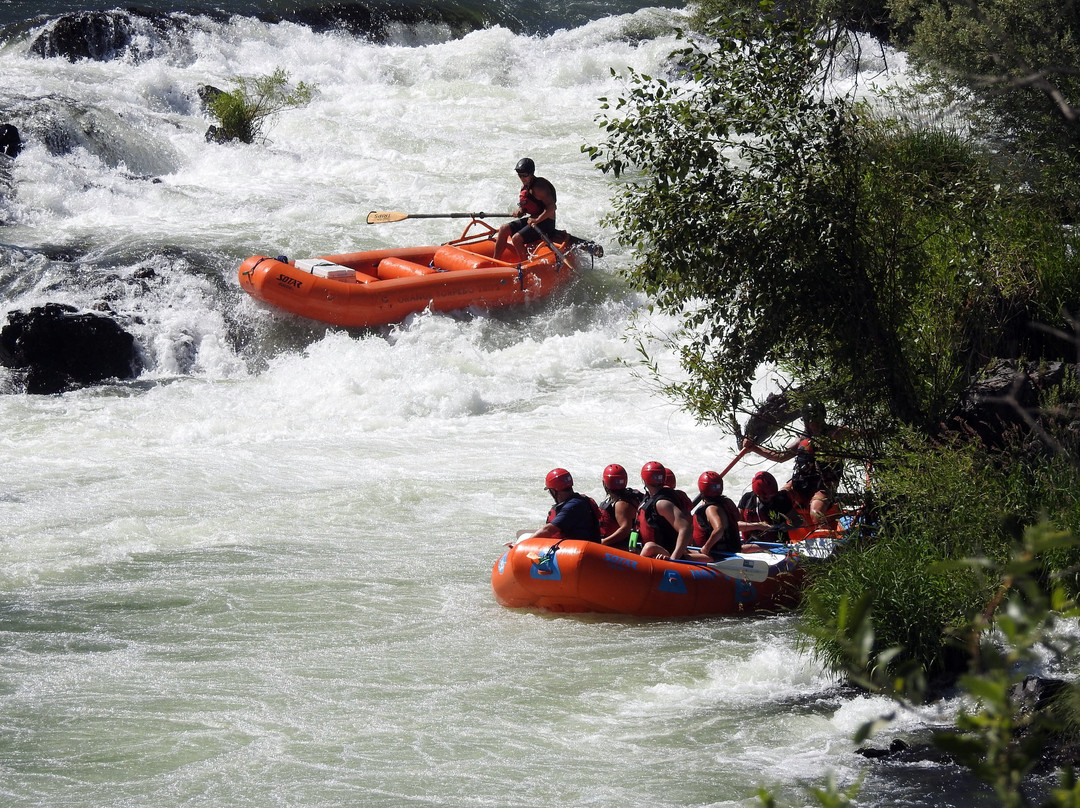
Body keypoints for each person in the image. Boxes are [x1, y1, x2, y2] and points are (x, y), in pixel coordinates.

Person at [742, 401, 844, 524]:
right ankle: (773, 531)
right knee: (777, 500)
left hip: (823, 487)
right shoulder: (803, 438)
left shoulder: (836, 434)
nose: (812, 424)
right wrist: (754, 448)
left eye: (815, 420)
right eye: (808, 420)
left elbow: (858, 435)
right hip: (800, 484)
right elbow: (780, 456)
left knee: (817, 513)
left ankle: (825, 538)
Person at [634, 461, 710, 562]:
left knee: (649, 547)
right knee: (648, 547)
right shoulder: (649, 498)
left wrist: (674, 559)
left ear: (644, 479)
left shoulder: (662, 503)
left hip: (664, 553)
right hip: (654, 553)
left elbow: (686, 529)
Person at [493, 157, 557, 262]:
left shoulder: (540, 187)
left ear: (531, 173)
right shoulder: (525, 186)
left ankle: (525, 266)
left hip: (546, 223)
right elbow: (527, 204)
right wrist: (521, 210)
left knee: (516, 238)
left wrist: (536, 220)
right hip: (533, 220)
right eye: (520, 175)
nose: (522, 178)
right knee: (504, 228)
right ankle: (494, 261)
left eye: (525, 175)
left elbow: (552, 208)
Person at [531, 468, 602, 542]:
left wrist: (523, 544)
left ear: (553, 491)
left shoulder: (573, 505)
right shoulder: (577, 501)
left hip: (582, 550)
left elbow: (548, 530)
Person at [738, 471, 803, 543]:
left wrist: (786, 527)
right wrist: (758, 526)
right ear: (758, 494)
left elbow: (799, 521)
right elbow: (736, 524)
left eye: (772, 496)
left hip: (776, 544)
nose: (770, 499)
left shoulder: (781, 500)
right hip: (751, 543)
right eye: (766, 498)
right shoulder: (747, 498)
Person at [692, 470, 747, 556]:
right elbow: (737, 518)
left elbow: (719, 529)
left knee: (682, 555)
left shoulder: (711, 509)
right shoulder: (727, 502)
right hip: (732, 549)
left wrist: (705, 548)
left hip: (717, 554)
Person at [597, 463, 644, 551]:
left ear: (605, 482)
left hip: (622, 548)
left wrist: (604, 542)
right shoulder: (631, 495)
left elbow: (626, 529)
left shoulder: (621, 504)